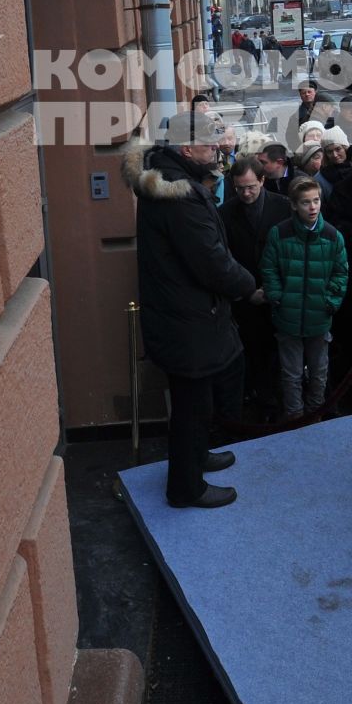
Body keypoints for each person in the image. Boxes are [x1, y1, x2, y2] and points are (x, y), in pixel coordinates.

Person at [125, 112, 257, 508]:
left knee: (197, 403)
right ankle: (186, 487)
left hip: (186, 318)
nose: (217, 146)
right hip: (187, 322)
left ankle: (198, 459)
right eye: (209, 141)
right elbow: (211, 261)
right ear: (186, 149)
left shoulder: (169, 182)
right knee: (192, 408)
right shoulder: (178, 194)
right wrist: (248, 285)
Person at [259, 176, 349, 419]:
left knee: (320, 372)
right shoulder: (280, 233)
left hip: (319, 316)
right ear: (294, 205)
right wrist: (277, 296)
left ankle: (315, 414)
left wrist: (330, 302)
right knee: (291, 373)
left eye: (316, 201)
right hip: (288, 315)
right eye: (306, 202)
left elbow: (341, 273)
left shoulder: (332, 236)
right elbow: (269, 268)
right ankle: (294, 417)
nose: (312, 207)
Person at [218, 156, 295, 413]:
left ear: (262, 180)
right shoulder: (226, 213)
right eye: (240, 188)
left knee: (283, 353)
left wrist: (277, 287)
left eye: (251, 186)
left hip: (281, 294)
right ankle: (261, 400)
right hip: (246, 297)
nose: (246, 193)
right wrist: (248, 291)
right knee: (253, 351)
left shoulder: (283, 206)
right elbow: (224, 256)